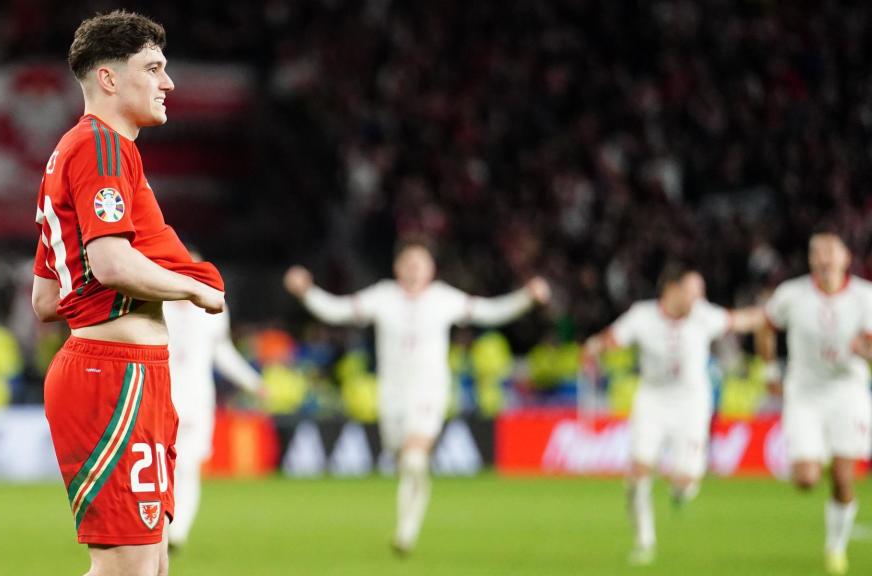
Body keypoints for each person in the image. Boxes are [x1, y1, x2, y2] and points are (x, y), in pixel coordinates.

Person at [30, 11, 225, 576]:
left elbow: (46, 300)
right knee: (129, 569)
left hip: (123, 371)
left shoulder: (70, 154)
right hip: (114, 375)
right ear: (110, 79)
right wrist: (193, 288)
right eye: (154, 68)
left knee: (152, 565)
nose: (169, 83)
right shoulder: (102, 147)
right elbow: (111, 262)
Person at [283, 241, 551, 555]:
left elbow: (488, 312)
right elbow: (338, 310)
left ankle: (407, 530)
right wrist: (306, 292)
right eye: (407, 263)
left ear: (431, 270)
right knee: (405, 462)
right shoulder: (383, 297)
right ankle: (406, 526)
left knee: (414, 458)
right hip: (392, 393)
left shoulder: (443, 299)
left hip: (429, 390)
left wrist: (526, 298)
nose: (413, 269)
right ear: (397, 268)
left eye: (419, 263)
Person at [582, 265, 764, 566]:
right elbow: (612, 337)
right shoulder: (642, 316)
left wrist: (770, 315)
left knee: (683, 479)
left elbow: (739, 319)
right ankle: (644, 541)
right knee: (638, 472)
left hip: (692, 404)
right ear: (672, 289)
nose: (699, 298)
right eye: (694, 290)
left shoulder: (704, 316)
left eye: (701, 292)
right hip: (652, 400)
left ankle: (682, 488)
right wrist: (594, 346)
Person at [761, 232, 872, 575]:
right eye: (816, 252)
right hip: (804, 392)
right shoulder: (791, 295)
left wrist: (863, 350)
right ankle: (822, 454)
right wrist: (769, 368)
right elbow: (766, 326)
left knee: (842, 477)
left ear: (845, 258)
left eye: (829, 251)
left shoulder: (864, 297)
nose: (823, 258)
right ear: (810, 260)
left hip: (847, 390)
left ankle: (835, 548)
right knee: (806, 479)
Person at [163, 297, 264, 550]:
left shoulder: (212, 307)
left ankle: (178, 531)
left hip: (197, 400)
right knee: (161, 468)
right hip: (160, 397)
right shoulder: (156, 302)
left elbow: (223, 352)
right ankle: (158, 527)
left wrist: (253, 382)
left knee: (188, 465)